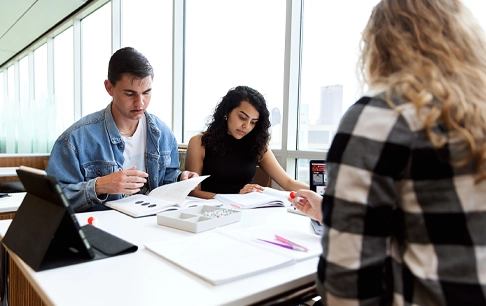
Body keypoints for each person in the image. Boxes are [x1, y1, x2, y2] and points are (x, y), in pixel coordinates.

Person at [289, 0, 486, 305]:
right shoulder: (476, 114)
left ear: (381, 46)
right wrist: (329, 210)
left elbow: (347, 292)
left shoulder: (380, 116)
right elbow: (441, 219)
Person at [46, 47, 197, 213]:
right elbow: (51, 198)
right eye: (130, 94)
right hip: (102, 231)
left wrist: (180, 178)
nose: (140, 103)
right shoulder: (76, 139)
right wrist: (99, 186)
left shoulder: (163, 133)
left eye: (146, 93)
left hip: (152, 225)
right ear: (109, 88)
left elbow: (166, 176)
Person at [185, 86, 308, 199]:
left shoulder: (257, 145)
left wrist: (323, 193)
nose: (246, 126)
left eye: (253, 122)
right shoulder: (199, 143)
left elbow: (287, 182)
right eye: (242, 118)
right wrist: (235, 196)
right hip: (209, 213)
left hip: (245, 212)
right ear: (227, 112)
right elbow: (193, 192)